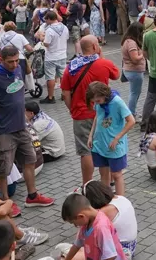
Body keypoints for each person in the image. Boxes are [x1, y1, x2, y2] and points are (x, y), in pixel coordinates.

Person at [0, 45, 54, 208]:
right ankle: (5, 201)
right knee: (2, 169)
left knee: (29, 160)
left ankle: (32, 196)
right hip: (2, 132)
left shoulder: (18, 68)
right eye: (10, 62)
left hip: (21, 127)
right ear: (1, 60)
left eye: (16, 60)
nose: (14, 64)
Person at [62, 35, 122, 187]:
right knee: (106, 145)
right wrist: (101, 56)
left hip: (81, 114)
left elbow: (65, 93)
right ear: (95, 47)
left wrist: (72, 109)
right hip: (104, 112)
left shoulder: (71, 67)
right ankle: (108, 181)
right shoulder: (104, 63)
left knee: (85, 151)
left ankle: (87, 184)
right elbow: (116, 75)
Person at [57, 180, 138, 260]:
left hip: (120, 254)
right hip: (129, 246)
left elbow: (83, 238)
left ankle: (63, 258)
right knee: (68, 249)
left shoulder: (102, 214)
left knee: (68, 259)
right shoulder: (120, 198)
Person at [86, 81, 135, 197]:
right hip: (100, 143)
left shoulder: (117, 102)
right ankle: (106, 199)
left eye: (98, 101)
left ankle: (121, 200)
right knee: (103, 174)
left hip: (114, 145)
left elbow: (131, 121)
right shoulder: (99, 103)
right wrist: (91, 135)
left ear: (104, 95)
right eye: (94, 101)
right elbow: (97, 117)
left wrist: (117, 137)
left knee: (117, 174)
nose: (96, 103)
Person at [37, 10, 69, 104]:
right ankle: (64, 94)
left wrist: (41, 38)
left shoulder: (49, 30)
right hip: (62, 55)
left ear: (49, 19)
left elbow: (47, 43)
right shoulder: (64, 27)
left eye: (46, 20)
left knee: (50, 77)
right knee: (62, 75)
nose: (45, 22)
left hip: (51, 56)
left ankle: (51, 97)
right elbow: (67, 38)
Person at [120, 22, 146, 117]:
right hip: (134, 71)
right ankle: (132, 113)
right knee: (134, 93)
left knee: (134, 92)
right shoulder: (131, 43)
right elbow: (135, 59)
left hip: (129, 70)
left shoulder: (127, 41)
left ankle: (132, 112)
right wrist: (142, 54)